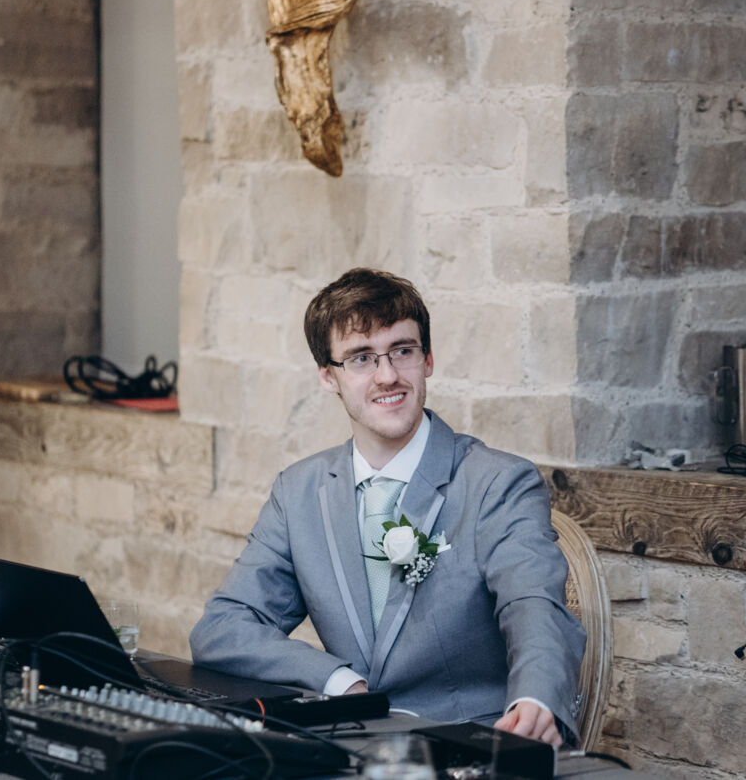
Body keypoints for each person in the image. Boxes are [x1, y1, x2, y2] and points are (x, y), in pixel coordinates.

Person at [189, 268, 585, 745]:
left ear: (428, 359)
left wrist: (536, 699)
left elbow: (535, 605)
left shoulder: (498, 482)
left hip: (470, 745)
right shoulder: (298, 493)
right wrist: (337, 680)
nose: (388, 376)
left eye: (403, 350)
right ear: (328, 377)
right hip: (346, 746)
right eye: (361, 358)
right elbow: (223, 628)